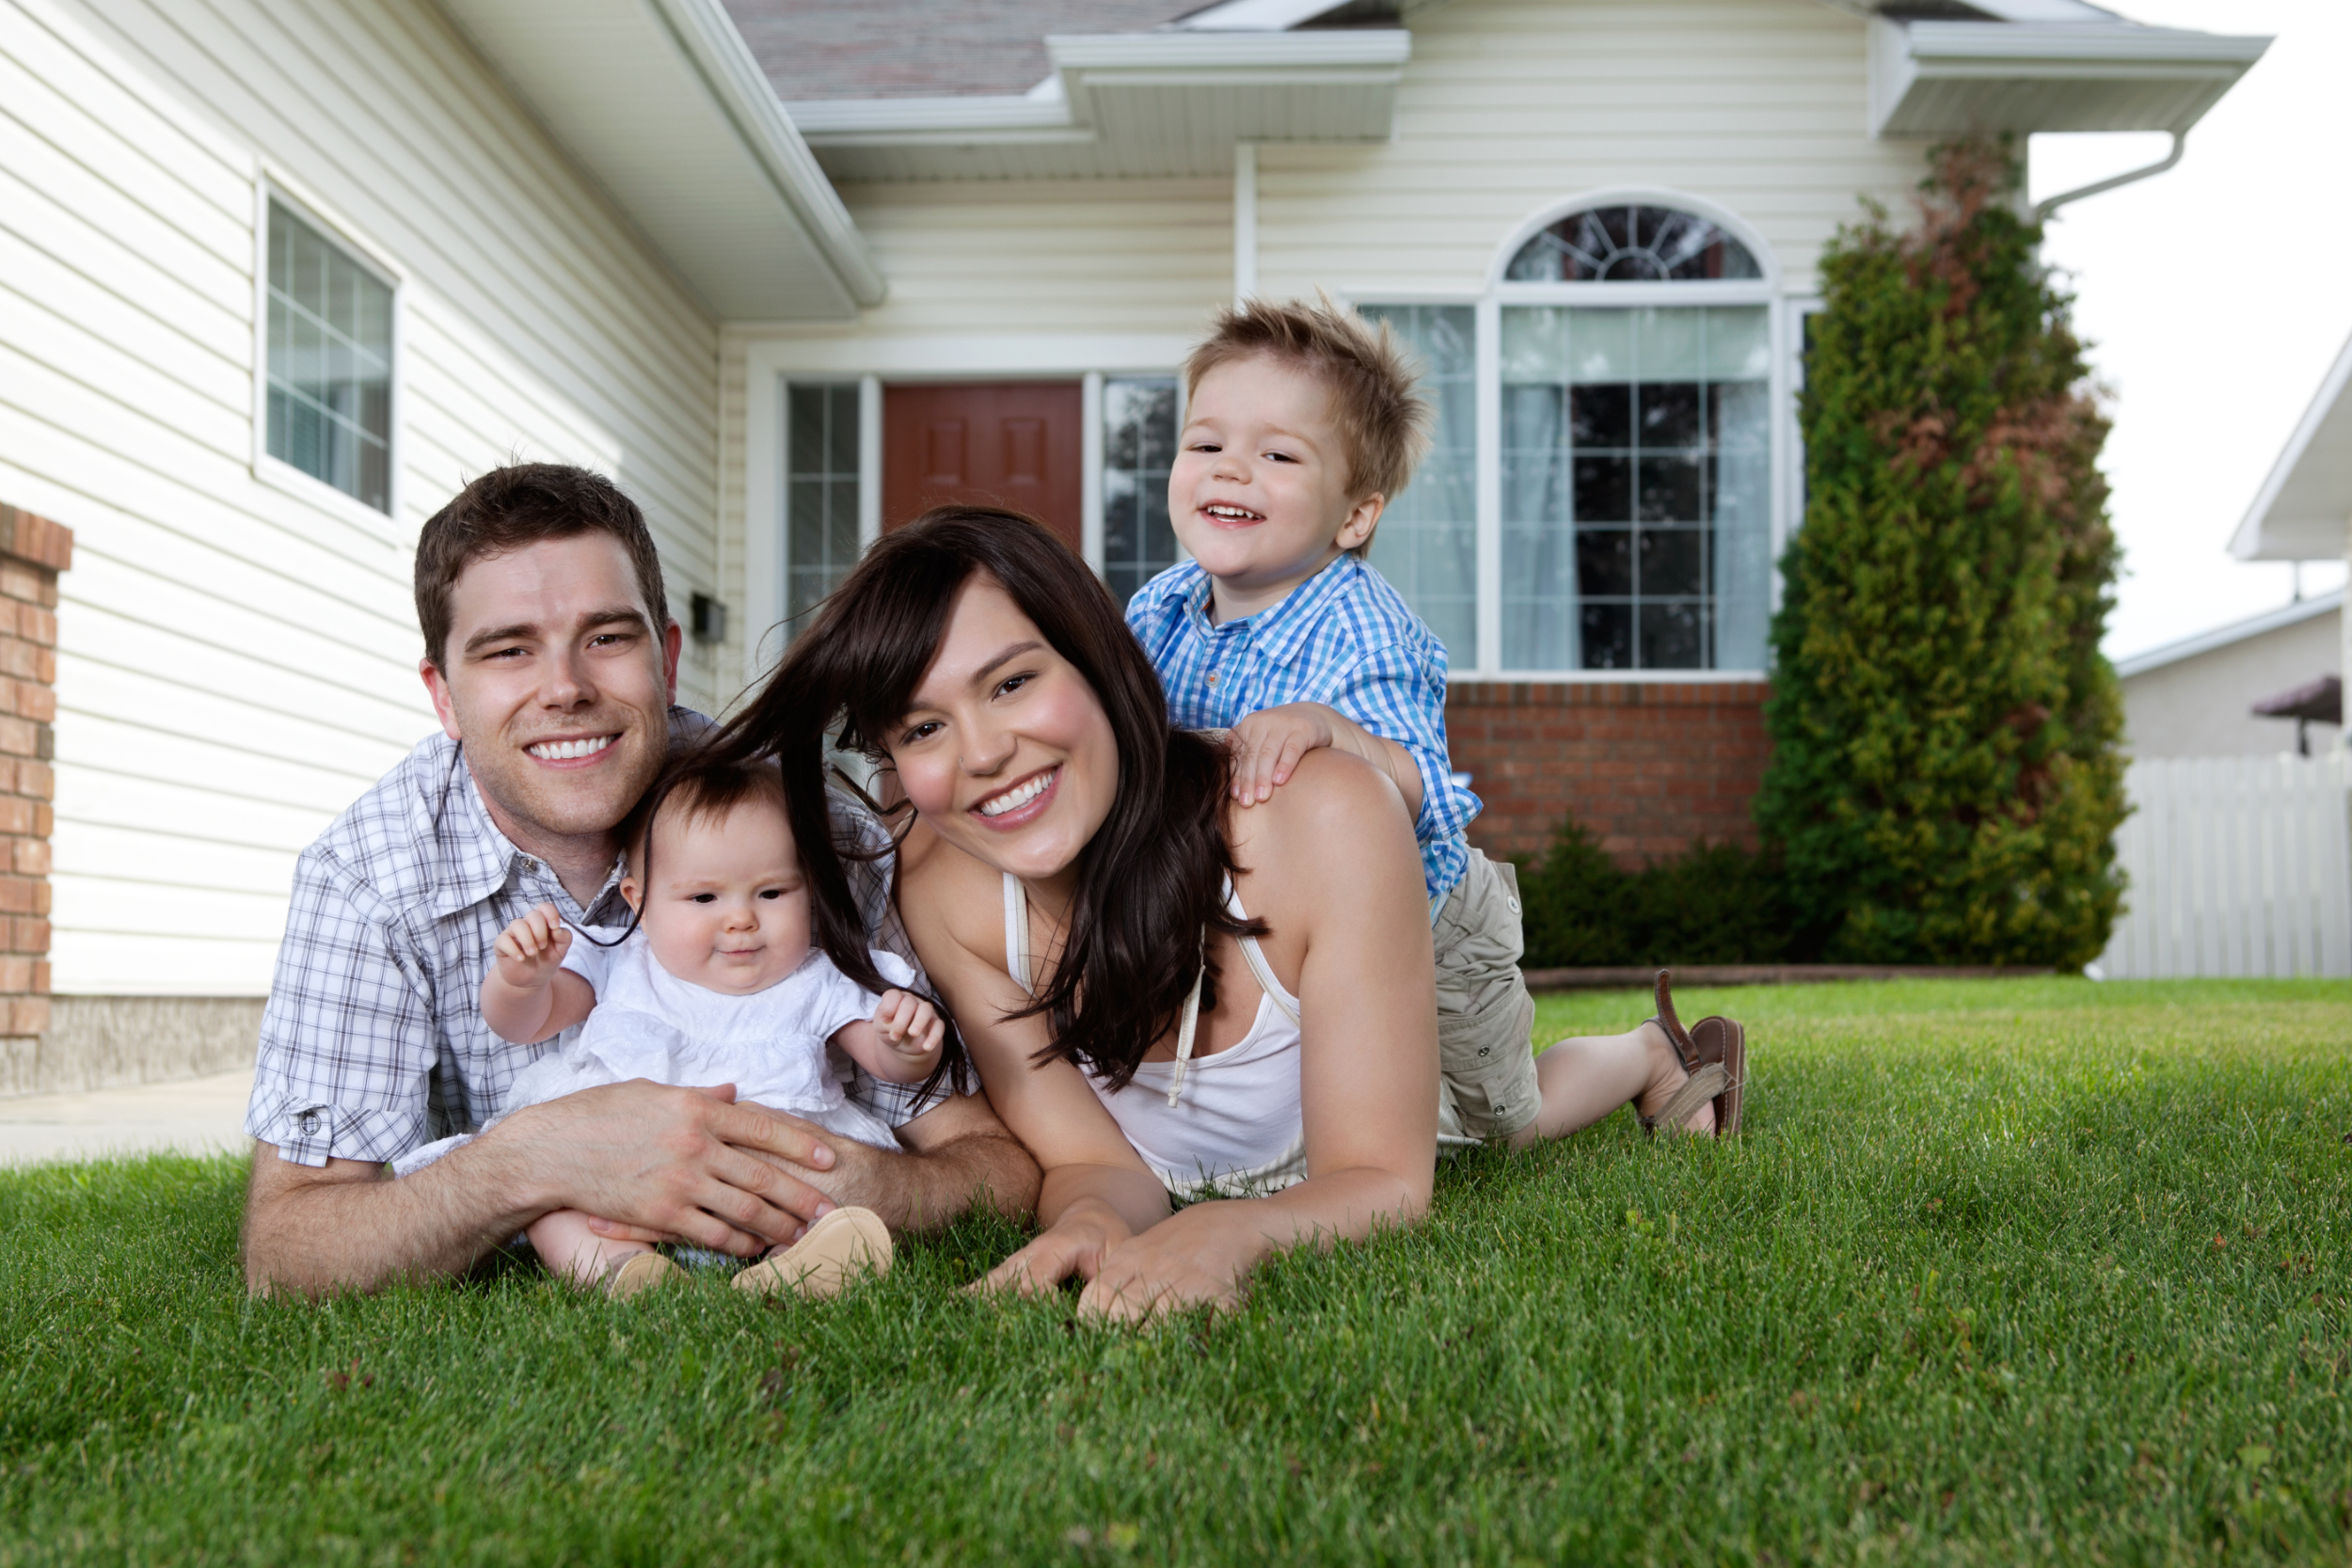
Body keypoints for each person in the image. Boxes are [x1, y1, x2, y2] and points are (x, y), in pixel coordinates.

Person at [717, 508, 1744, 1323]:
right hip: (1229, 1143)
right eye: (925, 726)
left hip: (1362, 1091)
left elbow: (1381, 1176)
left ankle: (1641, 1054)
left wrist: (1235, 1231)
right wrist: (1084, 1221)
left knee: (1502, 1122)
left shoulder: (1318, 818)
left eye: (1014, 681)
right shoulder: (946, 890)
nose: (982, 752)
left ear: (1101, 660)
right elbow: (1096, 1162)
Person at [238, 464, 1039, 1298]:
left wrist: (841, 1179)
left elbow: (993, 1168)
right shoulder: (369, 880)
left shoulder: (808, 839)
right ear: (443, 696)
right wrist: (541, 1160)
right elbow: (289, 1250)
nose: (566, 689)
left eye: (608, 638)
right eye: (510, 650)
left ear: (667, 659)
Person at [1124, 297, 1548, 1144]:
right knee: (1327, 1114)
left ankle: (1647, 1056)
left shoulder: (1361, 629)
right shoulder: (1161, 607)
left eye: (1277, 453)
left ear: (1355, 515)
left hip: (1428, 927)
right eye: (1205, 444)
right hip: (1282, 929)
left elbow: (1427, 790)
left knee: (1496, 1124)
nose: (1229, 469)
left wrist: (1330, 727)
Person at [437, 749, 950, 1298]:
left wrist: (906, 1040)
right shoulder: (620, 961)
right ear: (639, 900)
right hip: (620, 1184)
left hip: (767, 1191)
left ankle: (786, 1273)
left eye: (772, 893)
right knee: (554, 1208)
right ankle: (624, 1272)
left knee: (828, 1204)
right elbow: (527, 1023)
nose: (741, 919)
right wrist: (522, 981)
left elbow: (886, 1061)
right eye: (704, 897)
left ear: (809, 891)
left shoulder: (817, 979)